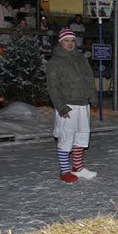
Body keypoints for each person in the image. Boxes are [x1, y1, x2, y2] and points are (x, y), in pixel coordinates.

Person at [46, 28, 98, 184]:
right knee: (66, 137)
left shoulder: (81, 59)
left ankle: (78, 168)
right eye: (66, 40)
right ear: (60, 42)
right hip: (67, 105)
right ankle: (64, 171)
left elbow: (89, 78)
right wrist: (61, 107)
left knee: (81, 136)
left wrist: (92, 95)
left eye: (72, 40)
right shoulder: (55, 62)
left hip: (82, 104)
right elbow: (52, 87)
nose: (70, 44)